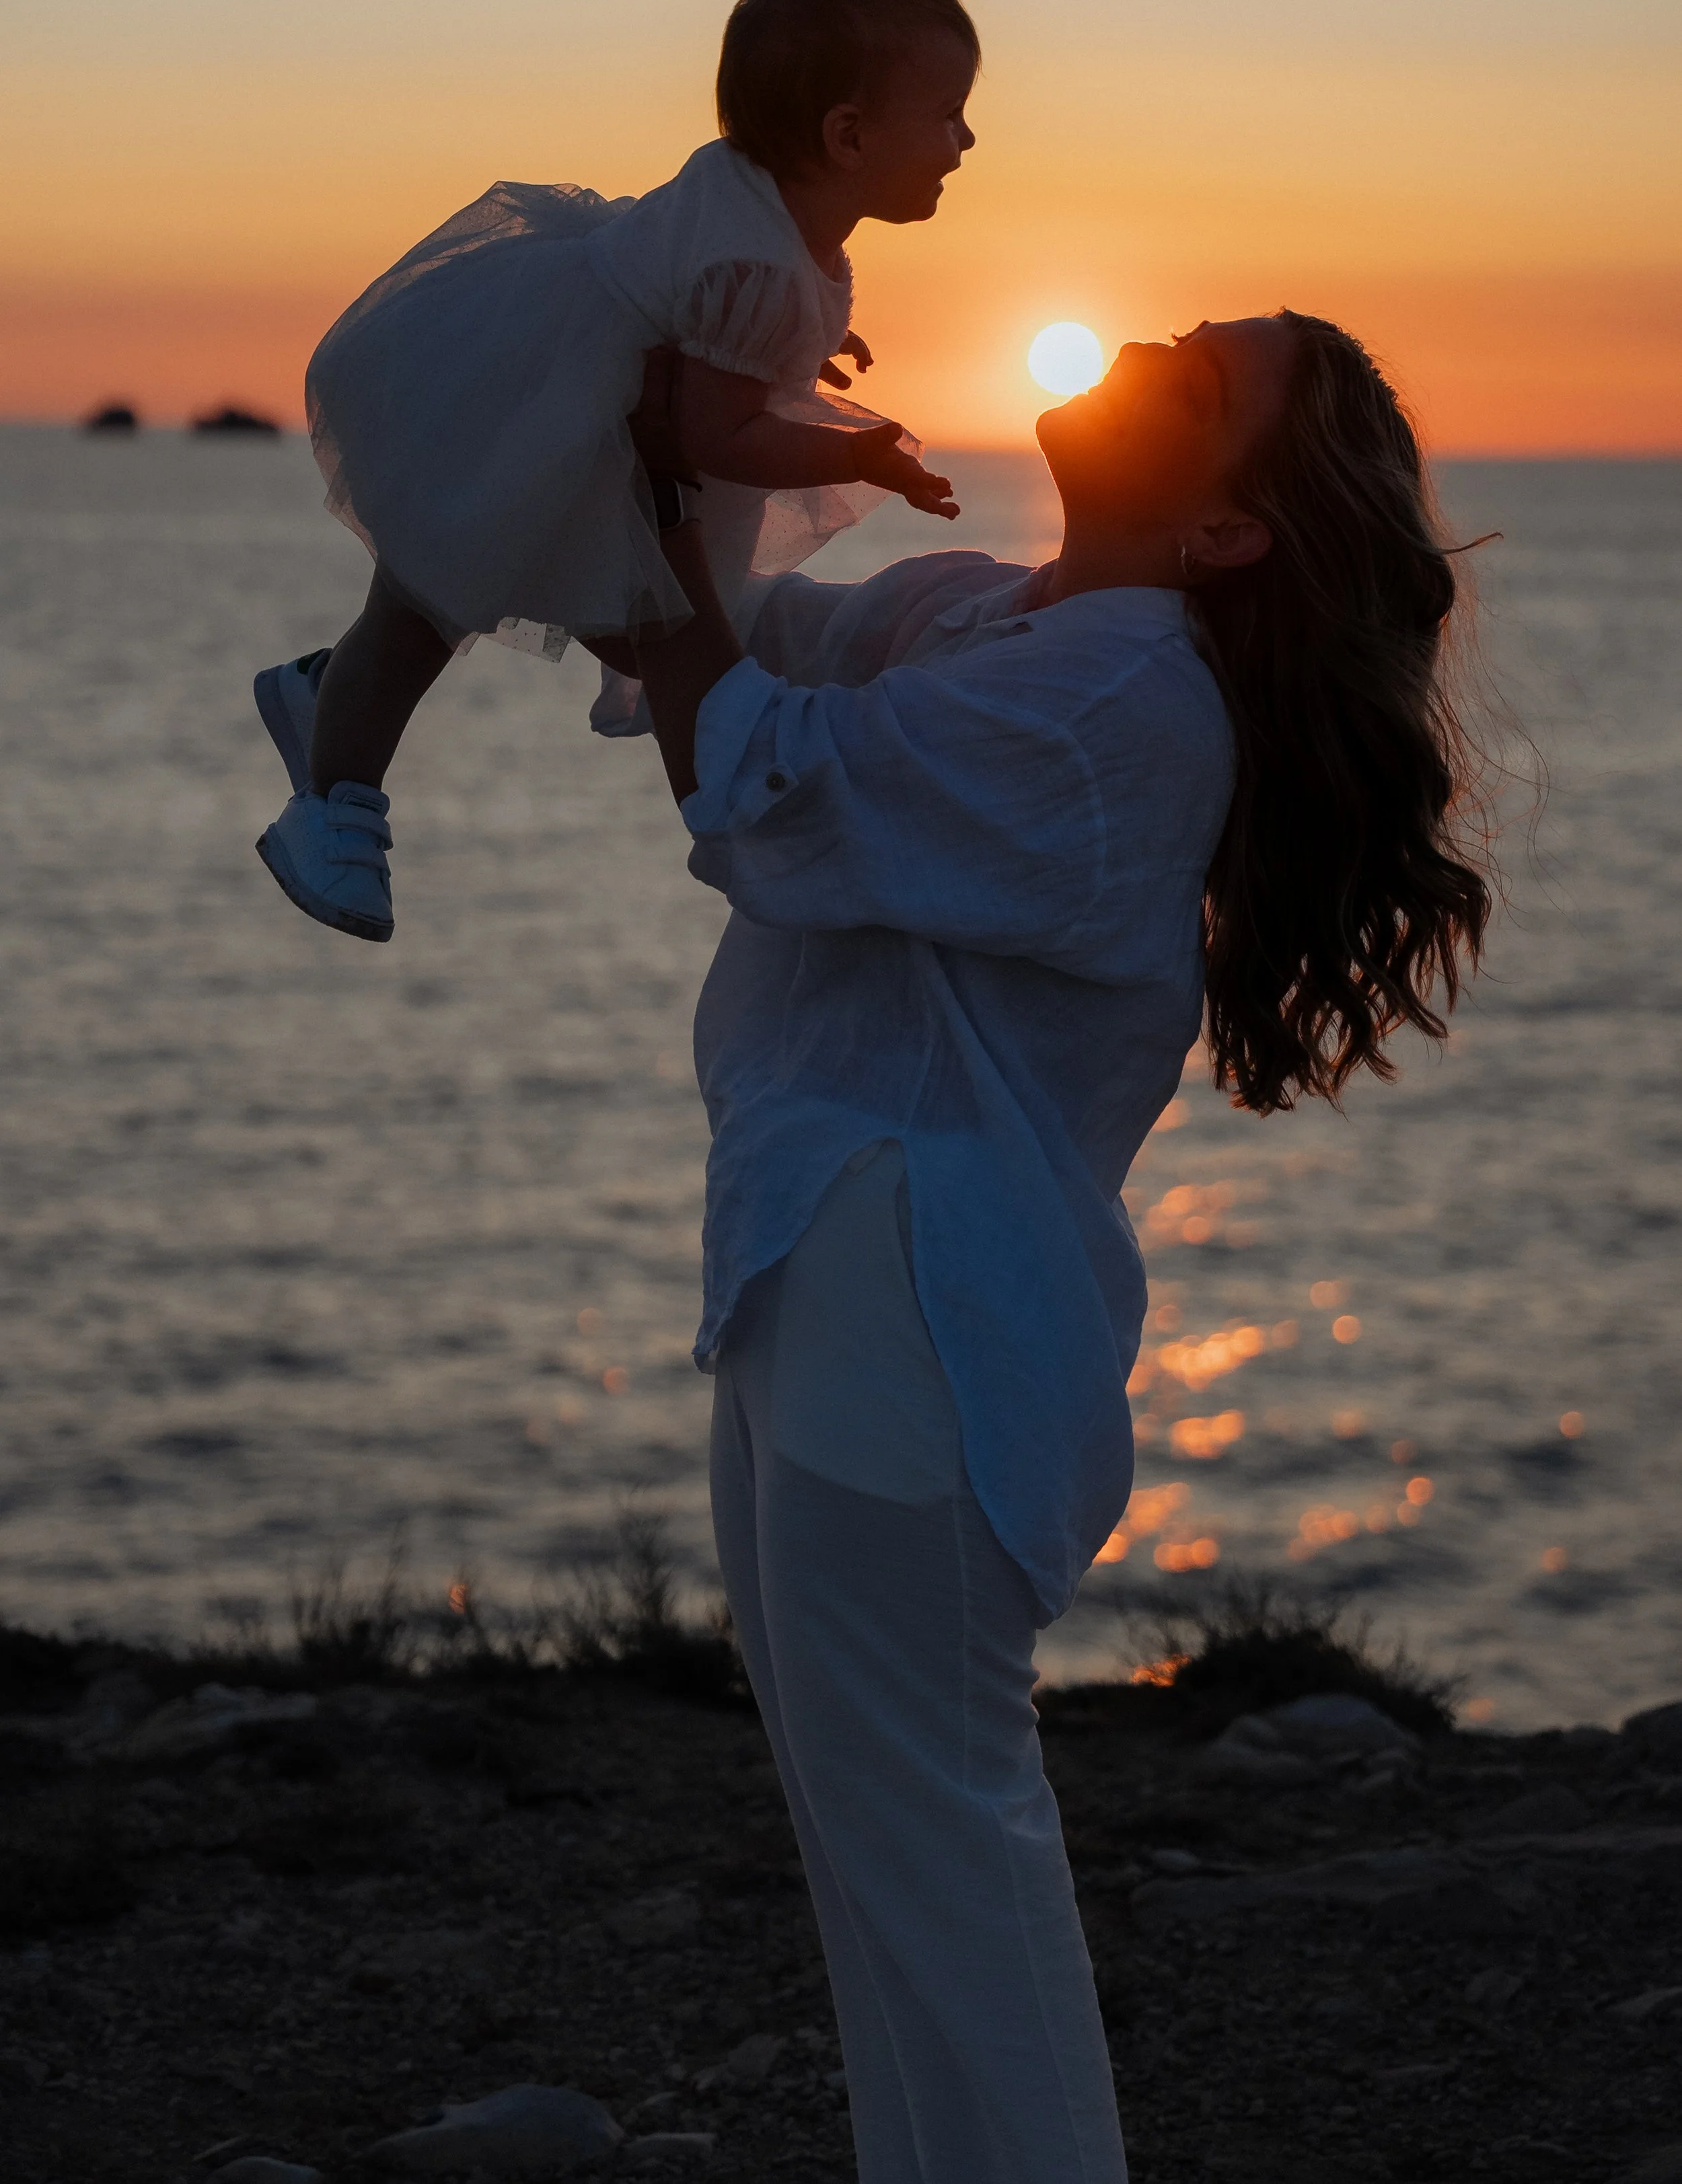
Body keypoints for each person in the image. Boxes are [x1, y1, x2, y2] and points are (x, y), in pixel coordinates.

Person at [593, 309, 1493, 2184]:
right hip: (817, 1247)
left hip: (911, 1280)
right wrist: (671, 434)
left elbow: (755, 776)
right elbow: (719, 637)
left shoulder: (1119, 697)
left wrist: (642, 467)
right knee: (875, 1856)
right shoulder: (984, 613)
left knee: (937, 1854)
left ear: (1230, 528)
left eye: (1198, 370)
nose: (1149, 337)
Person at [252, 0, 976, 942]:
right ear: (848, 136)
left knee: (522, 608)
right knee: (426, 603)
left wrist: (798, 344)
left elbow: (707, 295)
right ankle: (328, 802)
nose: (967, 139)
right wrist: (854, 456)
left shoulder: (765, 209)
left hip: (562, 384)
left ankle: (322, 693)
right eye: (948, 116)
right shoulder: (756, 260)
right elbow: (717, 437)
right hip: (538, 403)